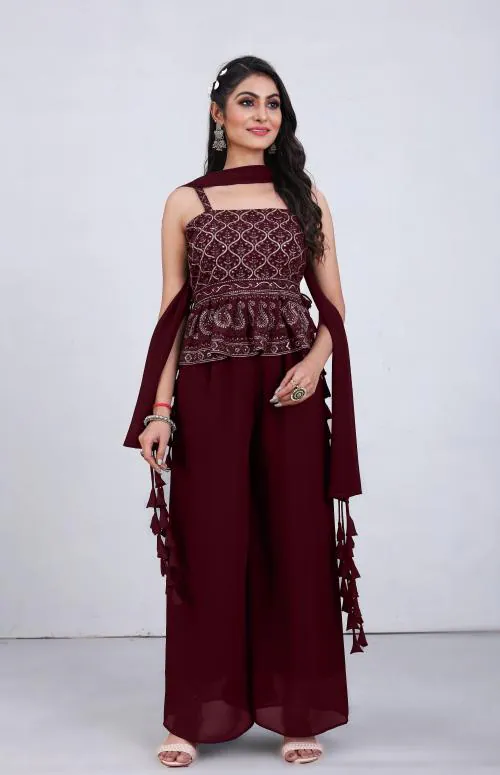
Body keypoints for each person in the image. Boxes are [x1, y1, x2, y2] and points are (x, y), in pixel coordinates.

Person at [123, 55, 367, 768]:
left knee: (295, 542)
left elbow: (334, 304)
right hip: (209, 388)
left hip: (290, 387)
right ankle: (194, 715)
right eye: (248, 102)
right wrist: (159, 410)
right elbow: (173, 313)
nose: (263, 115)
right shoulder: (185, 202)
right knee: (209, 545)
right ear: (218, 113)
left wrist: (313, 365)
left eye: (273, 104)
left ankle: (297, 711)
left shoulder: (304, 197)